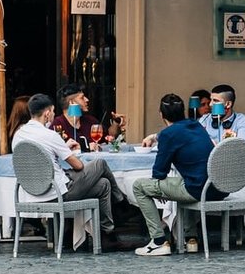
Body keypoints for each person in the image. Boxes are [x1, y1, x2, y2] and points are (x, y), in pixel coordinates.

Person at [12, 93, 130, 251]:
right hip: (58, 193)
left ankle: (107, 235)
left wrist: (62, 148)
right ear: (47, 113)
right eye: (53, 111)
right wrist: (65, 150)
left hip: (31, 192)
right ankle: (122, 204)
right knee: (100, 164)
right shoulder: (50, 135)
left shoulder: (19, 134)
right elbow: (79, 166)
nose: (54, 115)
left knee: (103, 184)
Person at [132, 93, 226, 256]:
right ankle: (191, 238)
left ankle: (158, 241)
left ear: (161, 114)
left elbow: (159, 171)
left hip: (196, 190)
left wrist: (159, 189)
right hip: (218, 187)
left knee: (139, 186)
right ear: (183, 111)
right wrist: (155, 136)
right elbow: (176, 132)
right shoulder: (196, 125)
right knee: (186, 178)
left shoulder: (169, 135)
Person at [51, 83, 127, 151]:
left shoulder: (90, 121)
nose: (87, 100)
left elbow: (109, 136)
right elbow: (55, 151)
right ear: (72, 102)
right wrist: (85, 148)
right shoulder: (58, 125)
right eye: (82, 98)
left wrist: (116, 123)